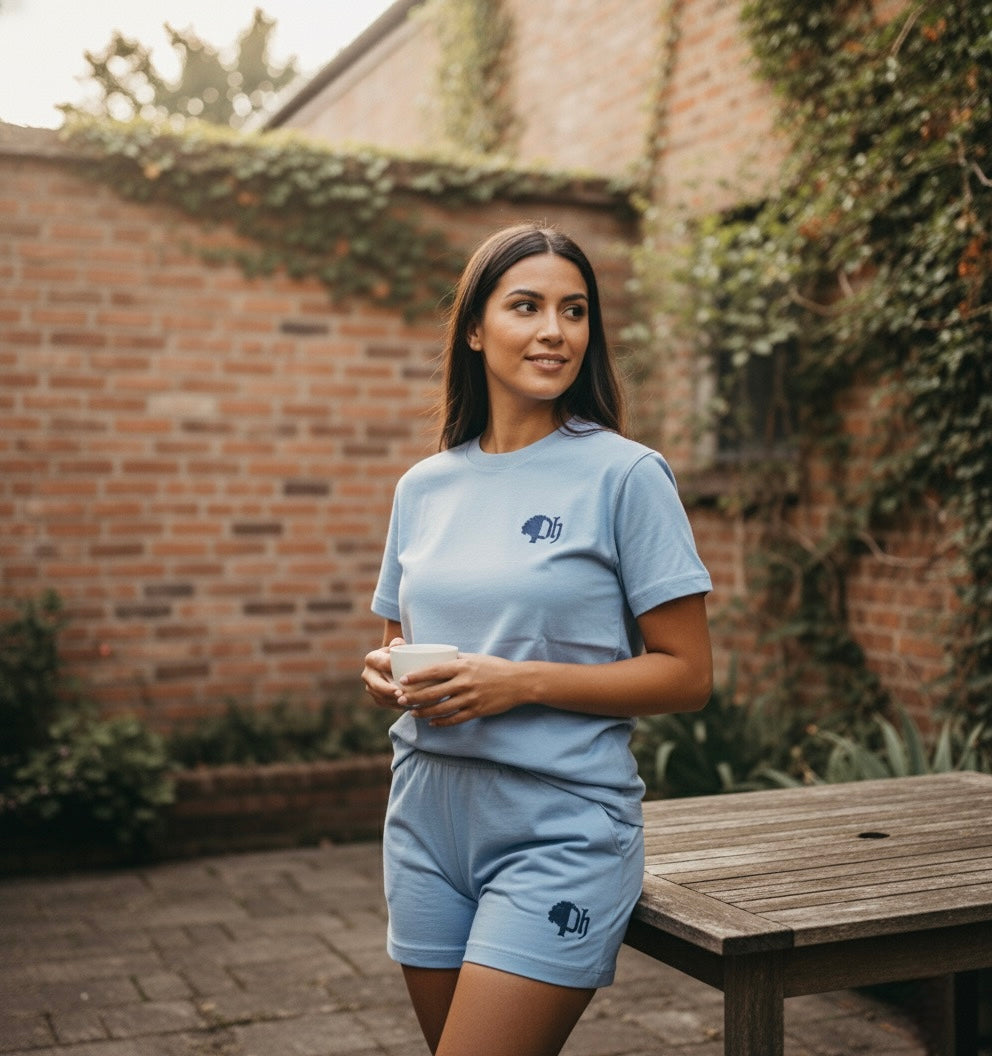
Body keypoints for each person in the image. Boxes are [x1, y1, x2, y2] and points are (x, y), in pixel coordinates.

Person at [361, 222, 713, 1056]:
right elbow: (394, 642)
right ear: (476, 330)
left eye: (575, 310)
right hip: (424, 820)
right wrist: (384, 675)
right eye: (527, 306)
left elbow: (687, 676)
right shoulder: (423, 486)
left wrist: (520, 683)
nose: (555, 330)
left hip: (559, 828)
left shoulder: (626, 475)